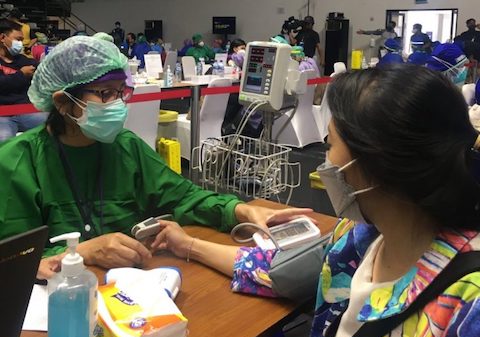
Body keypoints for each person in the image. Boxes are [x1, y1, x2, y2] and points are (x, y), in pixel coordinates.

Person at [155, 64, 480, 337]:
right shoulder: (359, 239)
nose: (325, 160)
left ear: (375, 165)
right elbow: (274, 271)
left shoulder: (468, 304)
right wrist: (189, 245)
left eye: (330, 143)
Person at [0, 35, 307, 279]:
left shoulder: (126, 148)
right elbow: (14, 258)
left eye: (122, 92)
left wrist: (243, 211)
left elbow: (186, 198)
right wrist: (83, 252)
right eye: (105, 94)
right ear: (63, 102)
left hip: (130, 294)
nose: (118, 104)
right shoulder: (18, 162)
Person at [0, 19, 46, 142]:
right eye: (18, 39)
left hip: (25, 110)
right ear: (2, 37)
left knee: (58, 126)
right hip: (2, 113)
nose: (20, 43)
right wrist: (21, 75)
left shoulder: (23, 60)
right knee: (4, 142)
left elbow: (43, 69)